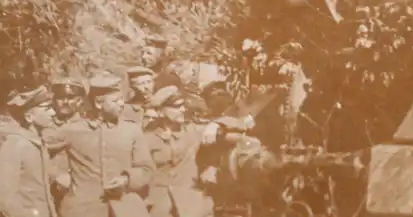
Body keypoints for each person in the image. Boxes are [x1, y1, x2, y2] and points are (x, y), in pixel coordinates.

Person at [44, 72, 155, 217]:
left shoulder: (132, 130)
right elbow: (38, 150)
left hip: (125, 208)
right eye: (116, 101)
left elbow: (146, 168)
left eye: (122, 100)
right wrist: (56, 175)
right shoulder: (72, 129)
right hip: (82, 209)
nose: (122, 104)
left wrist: (127, 179)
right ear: (98, 103)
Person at [144, 85, 255, 217]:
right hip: (158, 207)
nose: (183, 110)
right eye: (177, 107)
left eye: (183, 106)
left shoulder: (193, 131)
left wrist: (216, 124)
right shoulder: (146, 137)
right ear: (160, 112)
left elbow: (241, 124)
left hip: (191, 204)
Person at [0, 86, 58, 217]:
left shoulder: (37, 142)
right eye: (47, 109)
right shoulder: (16, 144)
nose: (53, 112)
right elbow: (5, 197)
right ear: (29, 117)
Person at [48, 77, 87, 210]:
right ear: (54, 100)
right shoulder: (43, 127)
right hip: (48, 192)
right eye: (60, 97)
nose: (65, 102)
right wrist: (55, 176)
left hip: (77, 196)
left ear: (80, 101)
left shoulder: (88, 128)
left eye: (70, 98)